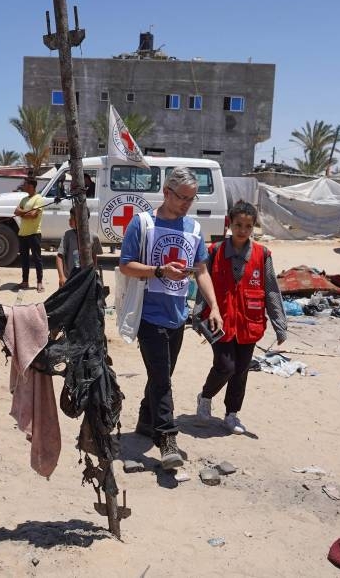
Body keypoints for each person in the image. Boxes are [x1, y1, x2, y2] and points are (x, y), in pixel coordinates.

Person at [119, 167, 222, 470]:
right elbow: (126, 266)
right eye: (182, 198)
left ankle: (144, 420)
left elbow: (201, 270)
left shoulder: (193, 228)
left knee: (161, 375)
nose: (187, 204)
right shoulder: (143, 223)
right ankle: (167, 440)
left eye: (191, 199)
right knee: (162, 379)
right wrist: (160, 271)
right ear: (166, 192)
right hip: (149, 317)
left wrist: (213, 306)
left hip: (178, 317)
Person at [195, 201, 287, 435]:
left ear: (253, 227)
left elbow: (271, 290)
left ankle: (232, 414)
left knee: (241, 370)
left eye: (248, 226)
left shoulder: (262, 254)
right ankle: (205, 397)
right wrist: (198, 315)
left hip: (249, 322)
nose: (242, 230)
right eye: (238, 225)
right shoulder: (214, 251)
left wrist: (280, 325)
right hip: (219, 321)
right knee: (225, 366)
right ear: (230, 224)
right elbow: (204, 283)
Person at [15, 177, 46, 292]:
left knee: (37, 259)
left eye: (25, 184)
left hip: (34, 233)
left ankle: (39, 282)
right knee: (24, 259)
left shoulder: (39, 199)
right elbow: (16, 211)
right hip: (22, 233)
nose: (23, 186)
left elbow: (33, 215)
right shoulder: (23, 199)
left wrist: (22, 213)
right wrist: (25, 213)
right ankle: (25, 281)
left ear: (31, 186)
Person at [56, 212, 103, 287]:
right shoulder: (67, 235)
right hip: (69, 279)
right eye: (70, 217)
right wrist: (61, 277)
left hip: (86, 280)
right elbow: (59, 256)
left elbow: (94, 257)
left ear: (82, 220)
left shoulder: (94, 237)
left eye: (72, 218)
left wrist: (93, 274)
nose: (69, 220)